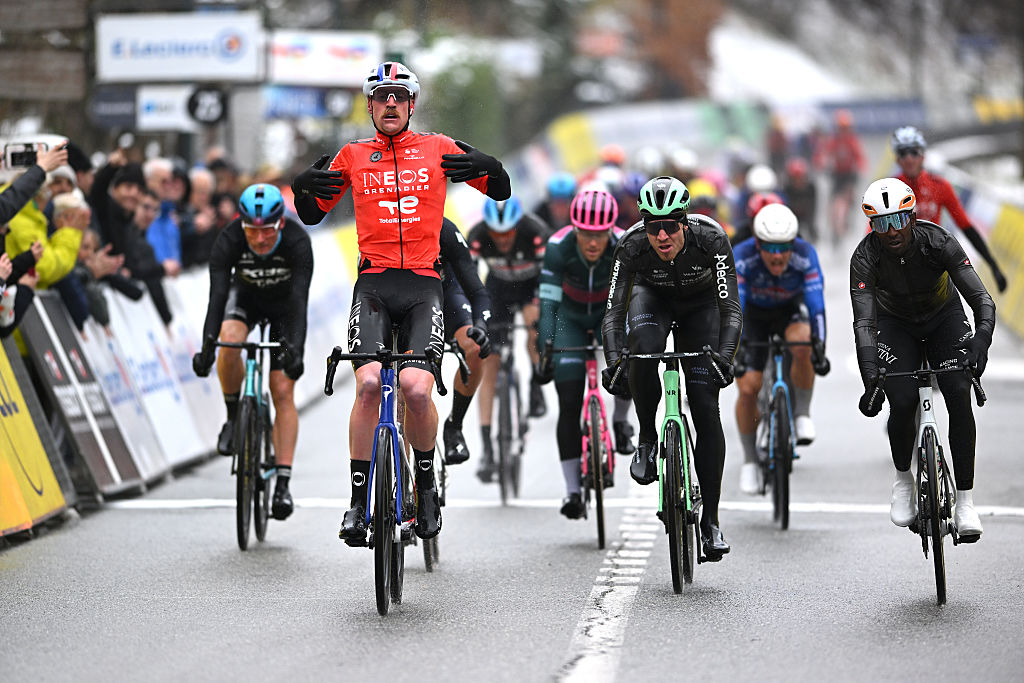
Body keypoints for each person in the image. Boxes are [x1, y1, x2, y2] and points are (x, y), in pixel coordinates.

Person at [289, 60, 510, 543]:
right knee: (368, 384)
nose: (390, 104)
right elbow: (309, 213)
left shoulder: (437, 149)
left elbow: (500, 191)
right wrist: (300, 185)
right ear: (370, 106)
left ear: (411, 105)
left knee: (413, 388)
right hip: (372, 286)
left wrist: (491, 167)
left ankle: (426, 489)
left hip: (423, 286)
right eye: (381, 97)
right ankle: (355, 505)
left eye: (399, 97)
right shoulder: (352, 154)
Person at [601, 176, 742, 561]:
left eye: (670, 226)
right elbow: (614, 313)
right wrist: (614, 362)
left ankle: (710, 521)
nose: (661, 236)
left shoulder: (711, 239)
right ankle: (647, 438)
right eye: (653, 227)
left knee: (704, 405)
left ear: (685, 222)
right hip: (653, 302)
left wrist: (725, 356)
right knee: (643, 348)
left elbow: (730, 308)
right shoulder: (630, 246)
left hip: (703, 308)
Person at [851, 178, 993, 541]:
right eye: (881, 223)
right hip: (895, 325)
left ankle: (965, 501)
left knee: (959, 394)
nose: (892, 230)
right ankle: (903, 480)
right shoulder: (865, 257)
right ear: (872, 226)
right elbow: (865, 323)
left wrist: (981, 340)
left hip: (944, 317)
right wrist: (871, 380)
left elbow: (981, 299)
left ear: (912, 216)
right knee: (900, 400)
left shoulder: (938, 241)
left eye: (898, 219)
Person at [192, 184, 313, 522]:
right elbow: (217, 298)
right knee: (229, 340)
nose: (259, 239)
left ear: (280, 224)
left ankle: (283, 482)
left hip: (283, 311)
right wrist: (206, 346)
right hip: (243, 299)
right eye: (251, 231)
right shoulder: (229, 239)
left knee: (283, 390)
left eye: (266, 231)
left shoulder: (297, 241)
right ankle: (233, 418)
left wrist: (296, 352)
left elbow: (300, 302)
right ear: (241, 224)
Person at [535, 188, 633, 519]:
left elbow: (634, 302)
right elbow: (547, 304)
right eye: (586, 234)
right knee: (569, 398)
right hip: (570, 318)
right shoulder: (557, 247)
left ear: (610, 230)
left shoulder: (625, 243)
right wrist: (544, 348)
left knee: (626, 366)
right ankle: (572, 492)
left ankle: (621, 420)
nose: (593, 243)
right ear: (575, 229)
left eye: (600, 235)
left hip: (609, 314)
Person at [732, 203, 829, 494]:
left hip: (790, 310)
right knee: (748, 388)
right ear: (757, 243)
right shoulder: (743, 257)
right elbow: (735, 306)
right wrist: (735, 353)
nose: (777, 256)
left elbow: (816, 306)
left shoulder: (805, 254)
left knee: (802, 343)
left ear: (793, 243)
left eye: (784, 247)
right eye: (770, 248)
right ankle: (750, 460)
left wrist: (820, 347)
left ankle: (801, 413)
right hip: (754, 317)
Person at [468, 195, 548, 482]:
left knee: (532, 325)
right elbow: (469, 277)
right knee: (488, 362)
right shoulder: (477, 235)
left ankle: (536, 384)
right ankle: (488, 448)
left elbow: (550, 276)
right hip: (498, 292)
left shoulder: (535, 232)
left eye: (507, 233)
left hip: (531, 289)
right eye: (496, 234)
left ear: (518, 225)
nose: (501, 240)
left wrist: (541, 311)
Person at [891, 126, 1007, 292]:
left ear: (923, 155)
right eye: (903, 153)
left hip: (932, 264)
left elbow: (966, 227)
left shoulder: (940, 186)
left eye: (914, 152)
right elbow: (873, 233)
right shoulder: (890, 189)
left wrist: (993, 265)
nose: (909, 158)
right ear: (897, 159)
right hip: (900, 265)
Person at [438, 217, 493, 466]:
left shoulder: (445, 229)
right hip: (403, 298)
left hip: (447, 294)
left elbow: (477, 290)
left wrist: (481, 325)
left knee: (474, 347)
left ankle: (454, 425)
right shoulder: (382, 222)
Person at [814, 109, 865, 246]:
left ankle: (849, 221)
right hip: (836, 175)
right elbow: (823, 154)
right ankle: (833, 227)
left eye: (845, 128)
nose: (843, 131)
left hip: (849, 176)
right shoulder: (833, 141)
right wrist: (821, 164)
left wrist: (860, 168)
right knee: (833, 203)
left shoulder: (852, 141)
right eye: (841, 128)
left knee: (850, 198)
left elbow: (860, 157)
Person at [782, 157, 818, 243]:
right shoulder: (787, 189)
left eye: (800, 178)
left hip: (806, 217)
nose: (798, 182)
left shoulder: (811, 188)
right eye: (795, 179)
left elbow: (813, 208)